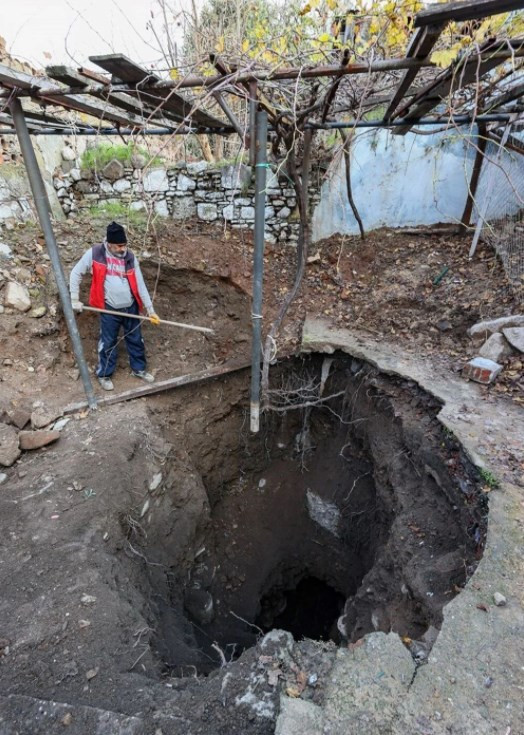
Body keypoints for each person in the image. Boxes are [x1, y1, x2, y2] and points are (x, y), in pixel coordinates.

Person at [69, 221, 160, 391]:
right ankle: (104, 375)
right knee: (108, 342)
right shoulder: (95, 253)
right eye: (118, 246)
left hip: (131, 307)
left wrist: (150, 309)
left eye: (124, 245)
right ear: (109, 244)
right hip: (109, 308)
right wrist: (74, 298)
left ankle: (139, 369)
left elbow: (140, 284)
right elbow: (76, 273)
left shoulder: (130, 257)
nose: (122, 249)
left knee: (135, 339)